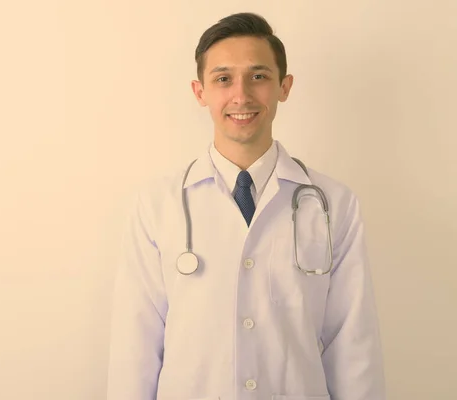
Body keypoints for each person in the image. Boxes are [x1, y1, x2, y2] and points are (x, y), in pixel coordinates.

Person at [106, 12, 386, 400]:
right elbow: (135, 349)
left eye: (259, 76)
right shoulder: (158, 206)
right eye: (223, 79)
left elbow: (353, 345)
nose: (241, 95)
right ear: (199, 91)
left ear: (284, 87)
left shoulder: (334, 204)